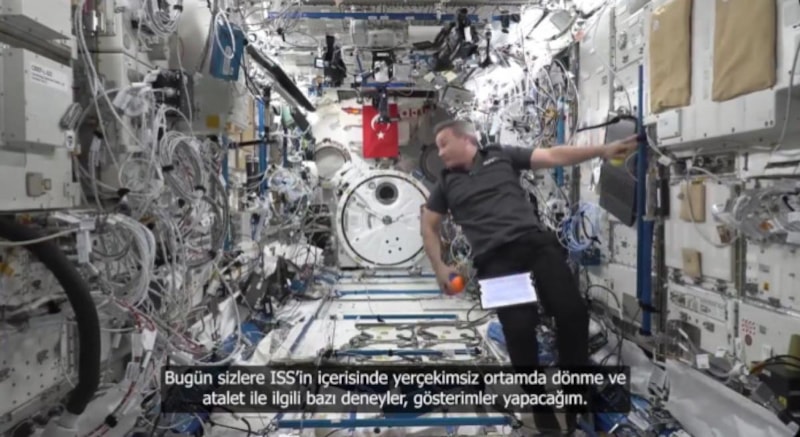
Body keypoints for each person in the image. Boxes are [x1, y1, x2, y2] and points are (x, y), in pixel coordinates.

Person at [421, 119, 637, 435]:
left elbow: (553, 155)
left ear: (467, 139)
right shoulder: (445, 183)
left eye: (443, 144)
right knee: (519, 331)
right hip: (495, 261)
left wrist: (602, 150)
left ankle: (574, 396)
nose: (439, 153)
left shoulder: (501, 155)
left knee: (572, 313)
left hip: (535, 244)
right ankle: (538, 400)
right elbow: (428, 225)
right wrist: (440, 267)